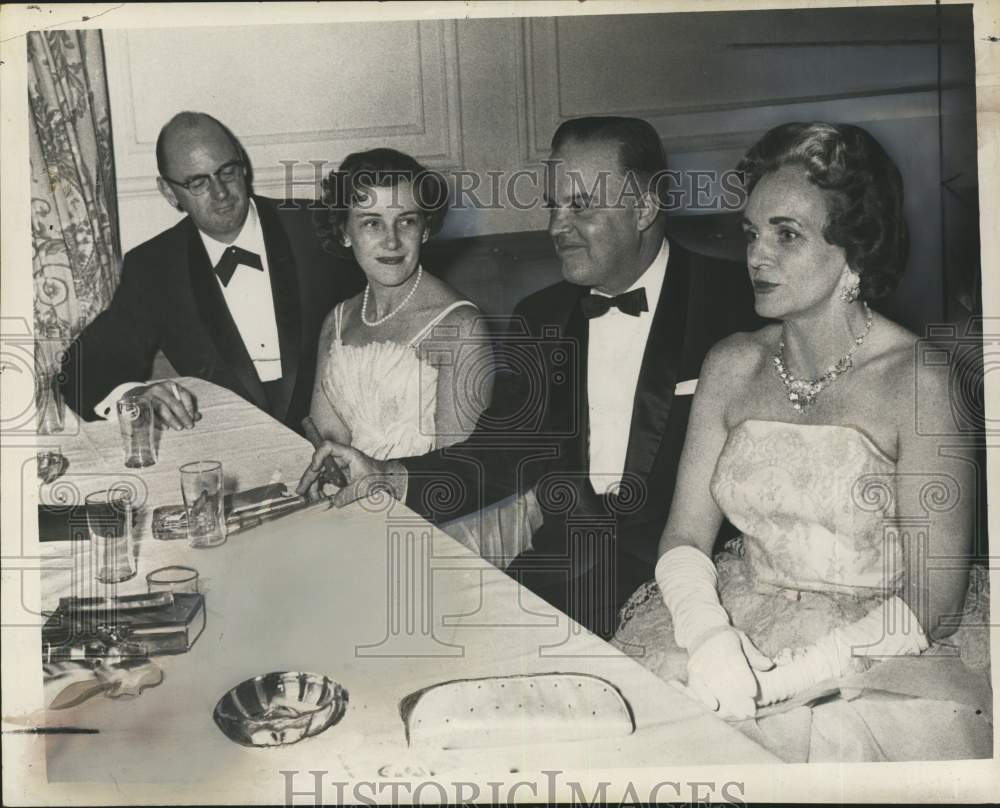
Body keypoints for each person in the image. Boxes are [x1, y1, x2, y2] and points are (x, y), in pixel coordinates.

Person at [612, 122, 992, 762]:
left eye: (787, 234)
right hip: (741, 616)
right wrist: (709, 639)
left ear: (857, 252)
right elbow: (683, 536)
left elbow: (935, 599)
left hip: (880, 660)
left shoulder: (921, 380)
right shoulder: (731, 363)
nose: (757, 256)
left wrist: (784, 681)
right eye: (752, 233)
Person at [297, 117, 760, 639]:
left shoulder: (738, 304)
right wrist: (388, 478)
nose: (557, 227)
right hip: (565, 564)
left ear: (645, 208)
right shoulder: (541, 316)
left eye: (580, 205)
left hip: (697, 580)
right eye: (553, 205)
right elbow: (499, 455)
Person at [303, 148, 542, 566]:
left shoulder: (459, 326)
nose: (392, 241)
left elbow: (464, 478)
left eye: (406, 221)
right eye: (371, 223)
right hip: (360, 506)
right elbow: (329, 435)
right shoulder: (337, 320)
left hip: (438, 525)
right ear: (344, 231)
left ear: (426, 230)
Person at [59, 111, 362, 433]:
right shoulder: (154, 267)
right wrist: (133, 395)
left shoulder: (316, 226)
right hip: (229, 446)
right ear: (169, 192)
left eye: (227, 172)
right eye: (198, 182)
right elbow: (84, 368)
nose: (220, 193)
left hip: (340, 434)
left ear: (243, 166)